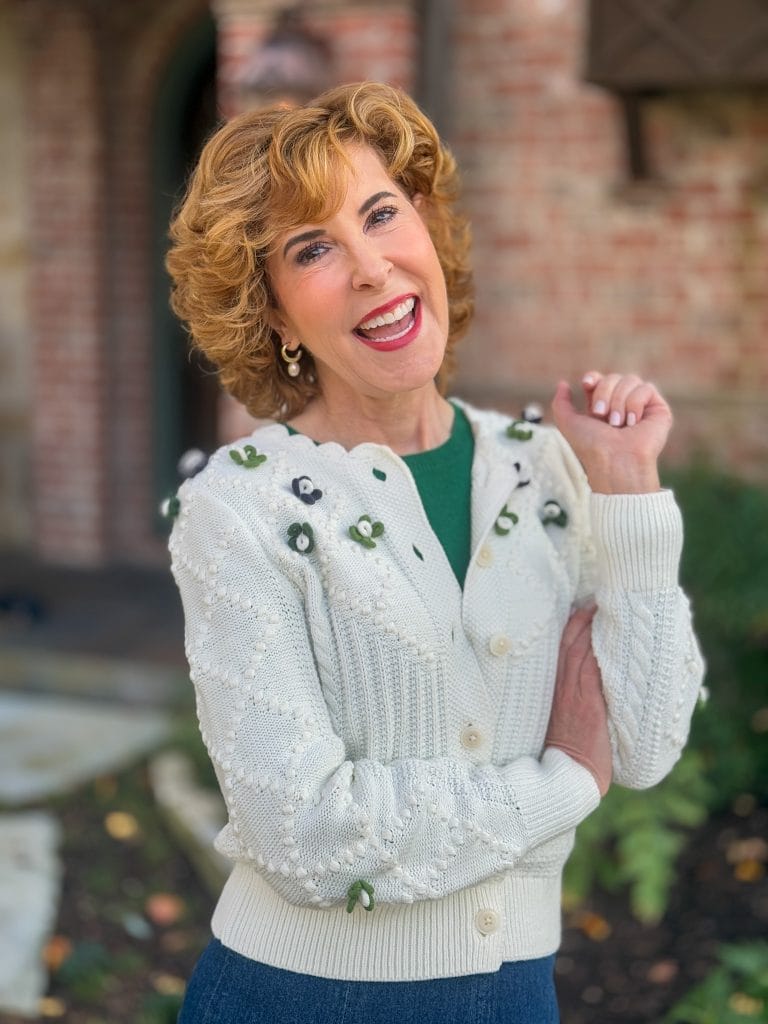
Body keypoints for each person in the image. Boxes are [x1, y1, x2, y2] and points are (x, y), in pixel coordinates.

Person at [165, 81, 704, 1024]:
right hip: (299, 1001)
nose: (372, 266)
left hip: (517, 996)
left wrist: (628, 492)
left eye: (381, 214)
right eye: (313, 248)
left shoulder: (546, 467)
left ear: (426, 227)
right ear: (277, 316)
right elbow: (304, 834)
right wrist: (561, 786)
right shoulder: (239, 509)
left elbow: (646, 746)